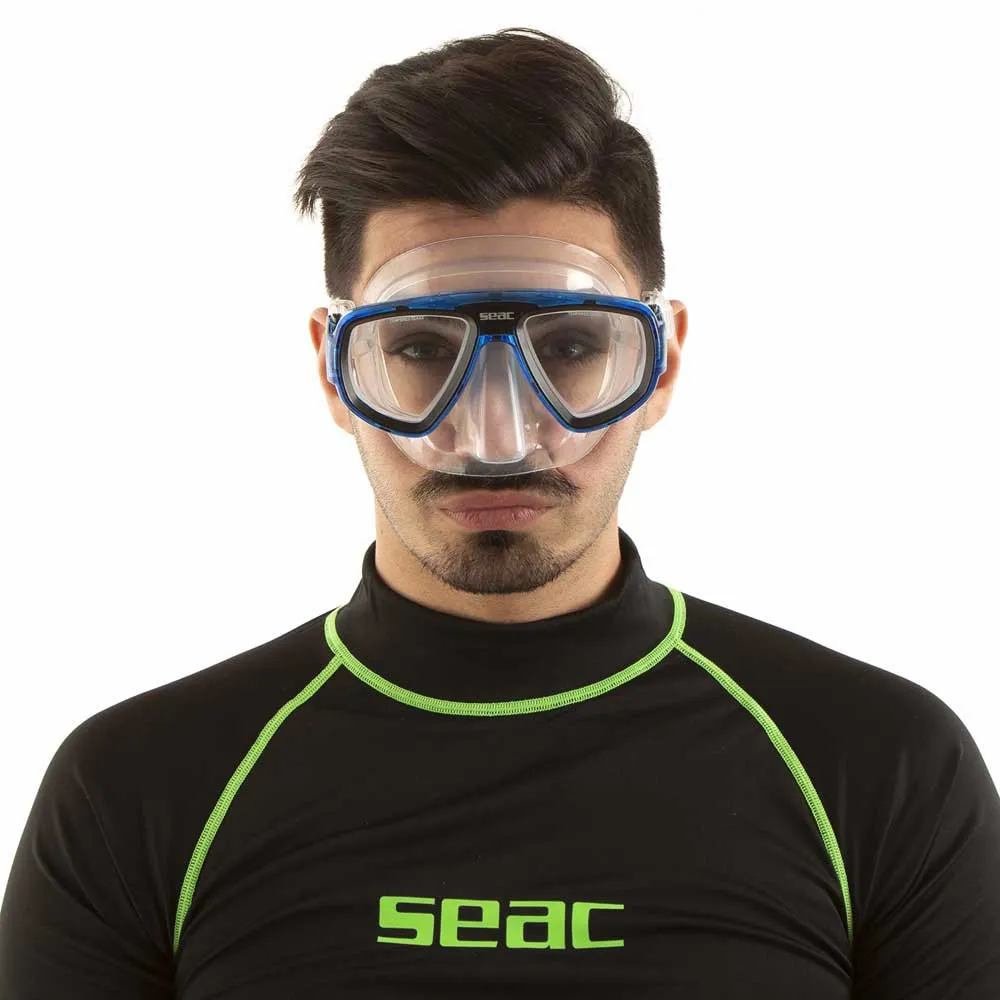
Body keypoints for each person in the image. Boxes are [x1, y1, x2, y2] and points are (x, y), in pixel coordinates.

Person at [1, 25, 998, 999]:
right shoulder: (141, 790)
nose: (494, 436)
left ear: (660, 363)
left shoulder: (876, 769)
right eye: (420, 349)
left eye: (569, 347)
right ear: (336, 370)